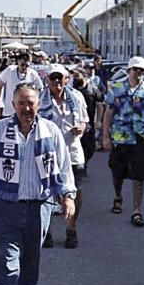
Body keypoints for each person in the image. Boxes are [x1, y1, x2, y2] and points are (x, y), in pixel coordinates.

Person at [0, 83, 76, 285]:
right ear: (13, 105)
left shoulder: (50, 130)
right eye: (21, 103)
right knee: (8, 260)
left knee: (31, 257)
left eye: (31, 103)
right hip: (6, 205)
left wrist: (67, 196)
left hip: (38, 207)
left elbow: (63, 167)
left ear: (38, 104)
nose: (26, 108)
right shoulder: (0, 130)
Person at [100, 56, 144, 228]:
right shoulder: (117, 89)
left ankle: (137, 210)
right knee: (118, 172)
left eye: (141, 70)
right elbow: (108, 113)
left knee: (139, 176)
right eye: (135, 69)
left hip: (141, 139)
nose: (138, 73)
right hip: (121, 138)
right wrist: (105, 136)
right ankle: (118, 196)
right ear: (128, 71)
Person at [37, 65, 88, 249]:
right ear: (47, 80)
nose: (57, 82)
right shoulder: (40, 99)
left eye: (61, 78)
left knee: (76, 191)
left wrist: (81, 127)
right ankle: (47, 231)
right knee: (47, 192)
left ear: (67, 79)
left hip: (72, 150)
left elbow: (84, 120)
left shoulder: (76, 97)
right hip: (48, 152)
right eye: (53, 78)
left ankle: (71, 228)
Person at [0, 52, 43, 118]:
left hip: (25, 112)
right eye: (22, 65)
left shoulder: (33, 74)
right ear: (18, 62)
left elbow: (40, 88)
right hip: (9, 111)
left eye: (27, 65)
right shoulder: (10, 70)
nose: (24, 67)